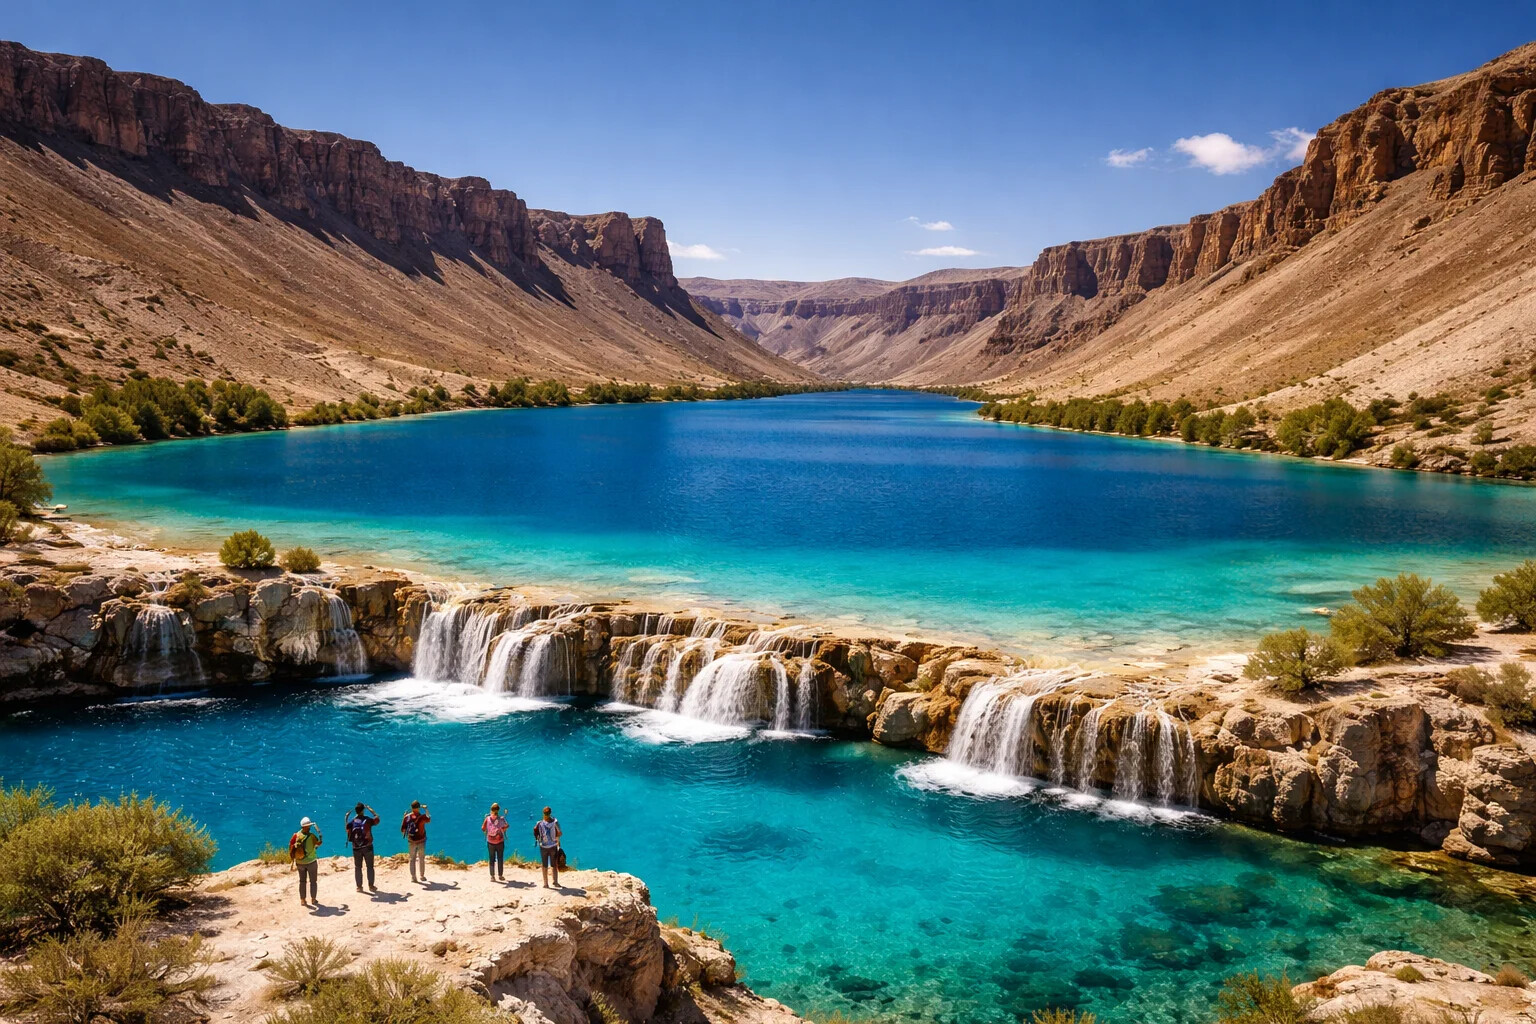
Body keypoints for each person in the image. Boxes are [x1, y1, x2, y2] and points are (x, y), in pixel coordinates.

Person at [345, 802, 380, 893]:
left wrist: (346, 817)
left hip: (356, 847)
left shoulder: (353, 821)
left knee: (358, 867)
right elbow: (377, 820)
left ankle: (359, 887)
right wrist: (372, 810)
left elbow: (347, 829)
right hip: (368, 846)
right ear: (363, 811)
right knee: (370, 867)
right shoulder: (367, 820)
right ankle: (371, 886)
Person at [289, 816, 322, 907]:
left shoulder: (296, 835)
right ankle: (313, 899)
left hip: (300, 862)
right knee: (313, 881)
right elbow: (318, 843)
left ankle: (303, 900)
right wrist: (320, 837)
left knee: (302, 881)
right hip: (311, 861)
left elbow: (291, 846)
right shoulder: (311, 836)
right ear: (307, 826)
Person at [400, 800, 430, 883]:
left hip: (411, 841)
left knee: (412, 859)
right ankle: (422, 876)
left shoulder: (407, 817)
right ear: (418, 808)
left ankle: (413, 877)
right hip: (421, 840)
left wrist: (404, 817)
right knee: (421, 858)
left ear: (411, 808)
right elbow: (429, 819)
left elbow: (402, 830)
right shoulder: (421, 817)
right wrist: (426, 809)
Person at [533, 805, 562, 889]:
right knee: (554, 865)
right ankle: (555, 882)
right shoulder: (555, 822)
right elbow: (560, 833)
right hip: (553, 845)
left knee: (544, 865)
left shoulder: (539, 823)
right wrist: (558, 841)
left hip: (544, 846)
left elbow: (535, 833)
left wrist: (538, 840)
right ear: (550, 813)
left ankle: (546, 884)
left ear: (543, 813)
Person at [481, 802, 509, 881]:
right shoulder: (501, 819)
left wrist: (487, 829)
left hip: (490, 841)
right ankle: (500, 875)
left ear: (491, 810)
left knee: (491, 858)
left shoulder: (487, 818)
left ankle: (492, 876)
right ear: (498, 810)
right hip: (500, 841)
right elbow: (507, 826)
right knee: (500, 858)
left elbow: (482, 828)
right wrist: (502, 829)